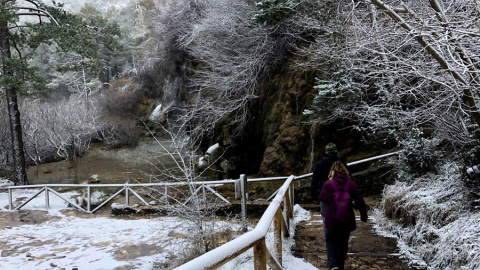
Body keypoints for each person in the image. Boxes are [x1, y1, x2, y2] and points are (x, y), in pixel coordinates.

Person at [319, 161, 368, 270]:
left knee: (331, 241)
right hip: (347, 219)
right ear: (345, 171)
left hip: (332, 219)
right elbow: (360, 200)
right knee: (343, 242)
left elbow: (322, 198)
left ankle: (333, 265)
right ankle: (340, 265)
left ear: (332, 171)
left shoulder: (328, 184)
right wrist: (363, 215)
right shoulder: (351, 183)